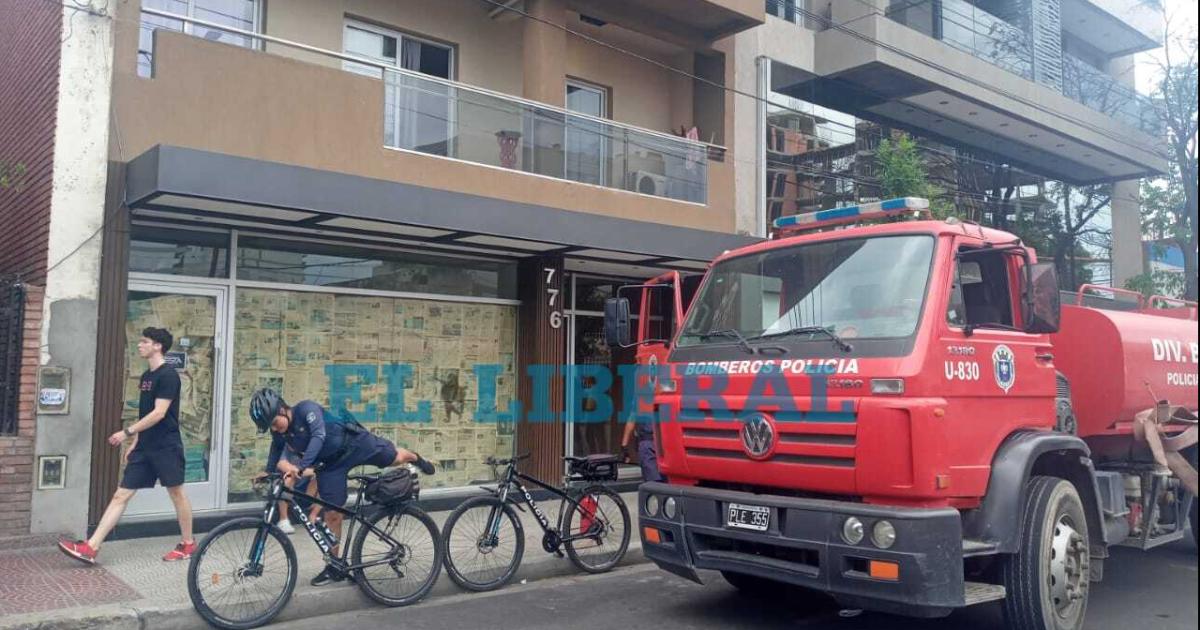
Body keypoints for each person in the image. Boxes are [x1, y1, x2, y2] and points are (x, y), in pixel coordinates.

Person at [249, 388, 436, 586]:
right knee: (332, 514)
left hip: (355, 444)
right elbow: (276, 449)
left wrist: (303, 467)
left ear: (282, 409)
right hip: (331, 466)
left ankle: (415, 457)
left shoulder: (306, 409)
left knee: (395, 457)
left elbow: (318, 436)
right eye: (271, 428)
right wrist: (268, 472)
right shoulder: (280, 433)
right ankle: (335, 566)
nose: (275, 429)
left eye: (275, 423)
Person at [59, 328, 195, 564]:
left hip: (166, 446)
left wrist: (126, 432)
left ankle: (188, 544)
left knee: (176, 493)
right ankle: (91, 547)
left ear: (158, 346)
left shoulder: (168, 376)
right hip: (145, 447)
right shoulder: (146, 377)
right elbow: (146, 412)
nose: (140, 345)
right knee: (121, 494)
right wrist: (136, 442)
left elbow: (159, 413)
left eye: (145, 342)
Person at [621, 417, 664, 483]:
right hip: (656, 444)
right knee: (657, 482)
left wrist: (624, 446)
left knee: (655, 483)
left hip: (655, 444)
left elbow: (631, 420)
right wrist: (624, 447)